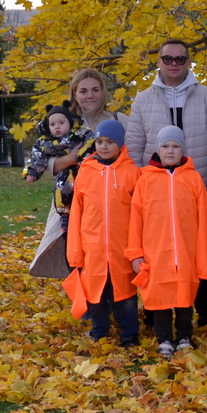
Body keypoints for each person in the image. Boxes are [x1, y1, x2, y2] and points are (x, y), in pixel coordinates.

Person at [124, 39, 207, 326]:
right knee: (157, 254)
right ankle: (156, 312)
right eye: (167, 59)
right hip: (155, 193)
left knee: (195, 251)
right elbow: (133, 147)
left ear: (188, 62)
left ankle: (204, 311)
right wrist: (139, 192)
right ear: (158, 61)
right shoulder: (144, 99)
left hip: (197, 188)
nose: (173, 64)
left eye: (180, 59)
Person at [128, 125, 207, 357]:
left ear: (183, 150)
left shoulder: (193, 179)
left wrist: (204, 255)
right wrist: (135, 253)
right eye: (165, 146)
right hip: (155, 253)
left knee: (184, 295)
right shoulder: (145, 180)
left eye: (175, 146)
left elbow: (205, 220)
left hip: (186, 252)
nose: (170, 151)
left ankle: (184, 336)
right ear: (158, 149)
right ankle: (164, 338)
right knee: (160, 297)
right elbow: (135, 219)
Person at [29, 69, 127, 279]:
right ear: (74, 94)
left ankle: (107, 302)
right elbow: (47, 161)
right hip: (70, 201)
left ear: (103, 92)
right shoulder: (63, 122)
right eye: (83, 91)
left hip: (110, 203)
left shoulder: (120, 120)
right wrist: (72, 159)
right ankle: (85, 303)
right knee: (74, 254)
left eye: (95, 90)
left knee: (109, 256)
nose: (89, 95)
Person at [65, 121, 140, 346]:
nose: (104, 146)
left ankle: (129, 335)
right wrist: (75, 252)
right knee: (95, 292)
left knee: (125, 294)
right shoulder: (86, 172)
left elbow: (139, 214)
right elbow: (77, 213)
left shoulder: (132, 172)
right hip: (93, 247)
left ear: (120, 144)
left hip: (122, 247)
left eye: (110, 142)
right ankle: (100, 331)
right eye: (100, 141)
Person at [24, 105, 94, 238]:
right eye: (53, 124)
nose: (57, 127)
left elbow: (91, 140)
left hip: (83, 170)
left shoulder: (78, 134)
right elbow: (37, 156)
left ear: (69, 122)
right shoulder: (46, 142)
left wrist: (82, 155)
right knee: (61, 190)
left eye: (61, 123)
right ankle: (65, 219)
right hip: (65, 173)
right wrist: (32, 172)